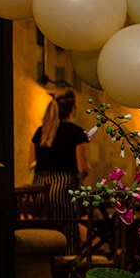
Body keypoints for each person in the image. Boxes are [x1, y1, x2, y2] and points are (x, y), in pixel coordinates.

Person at [29, 88, 90, 219]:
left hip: (39, 192)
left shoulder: (40, 132)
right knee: (67, 229)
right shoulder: (77, 133)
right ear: (73, 108)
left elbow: (31, 163)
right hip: (63, 191)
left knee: (45, 233)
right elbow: (83, 168)